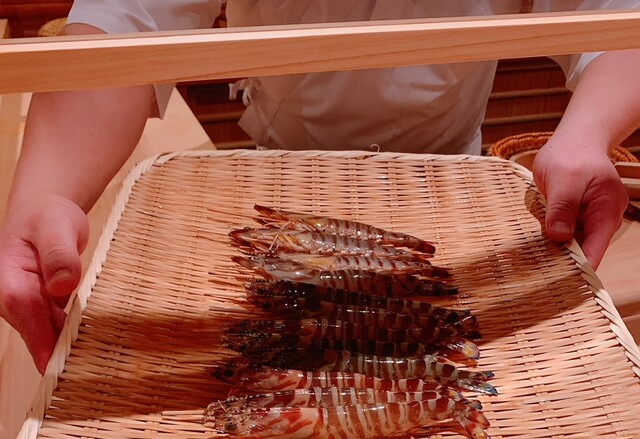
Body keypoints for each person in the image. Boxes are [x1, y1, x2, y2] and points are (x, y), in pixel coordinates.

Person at [1, 0, 640, 375]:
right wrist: (45, 191)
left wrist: (588, 135)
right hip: (277, 190)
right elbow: (125, 23)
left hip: (450, 192)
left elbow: (617, 18)